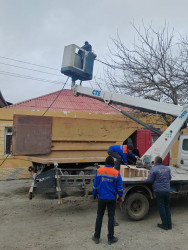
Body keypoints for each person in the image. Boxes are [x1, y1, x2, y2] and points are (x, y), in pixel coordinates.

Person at [92, 156, 123, 245]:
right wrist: (121, 197)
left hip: (101, 198)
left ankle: (96, 237)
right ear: (113, 164)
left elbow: (95, 185)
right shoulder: (116, 173)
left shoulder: (99, 171)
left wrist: (94, 195)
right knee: (111, 217)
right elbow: (120, 188)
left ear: (105, 163)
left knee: (99, 217)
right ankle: (110, 238)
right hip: (112, 198)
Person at [141, 156, 172, 230]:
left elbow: (149, 180)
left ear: (155, 162)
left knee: (161, 208)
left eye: (154, 160)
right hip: (167, 190)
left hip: (159, 191)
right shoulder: (167, 169)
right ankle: (169, 225)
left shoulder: (154, 169)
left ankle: (164, 225)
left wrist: (144, 179)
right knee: (167, 207)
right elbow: (170, 178)